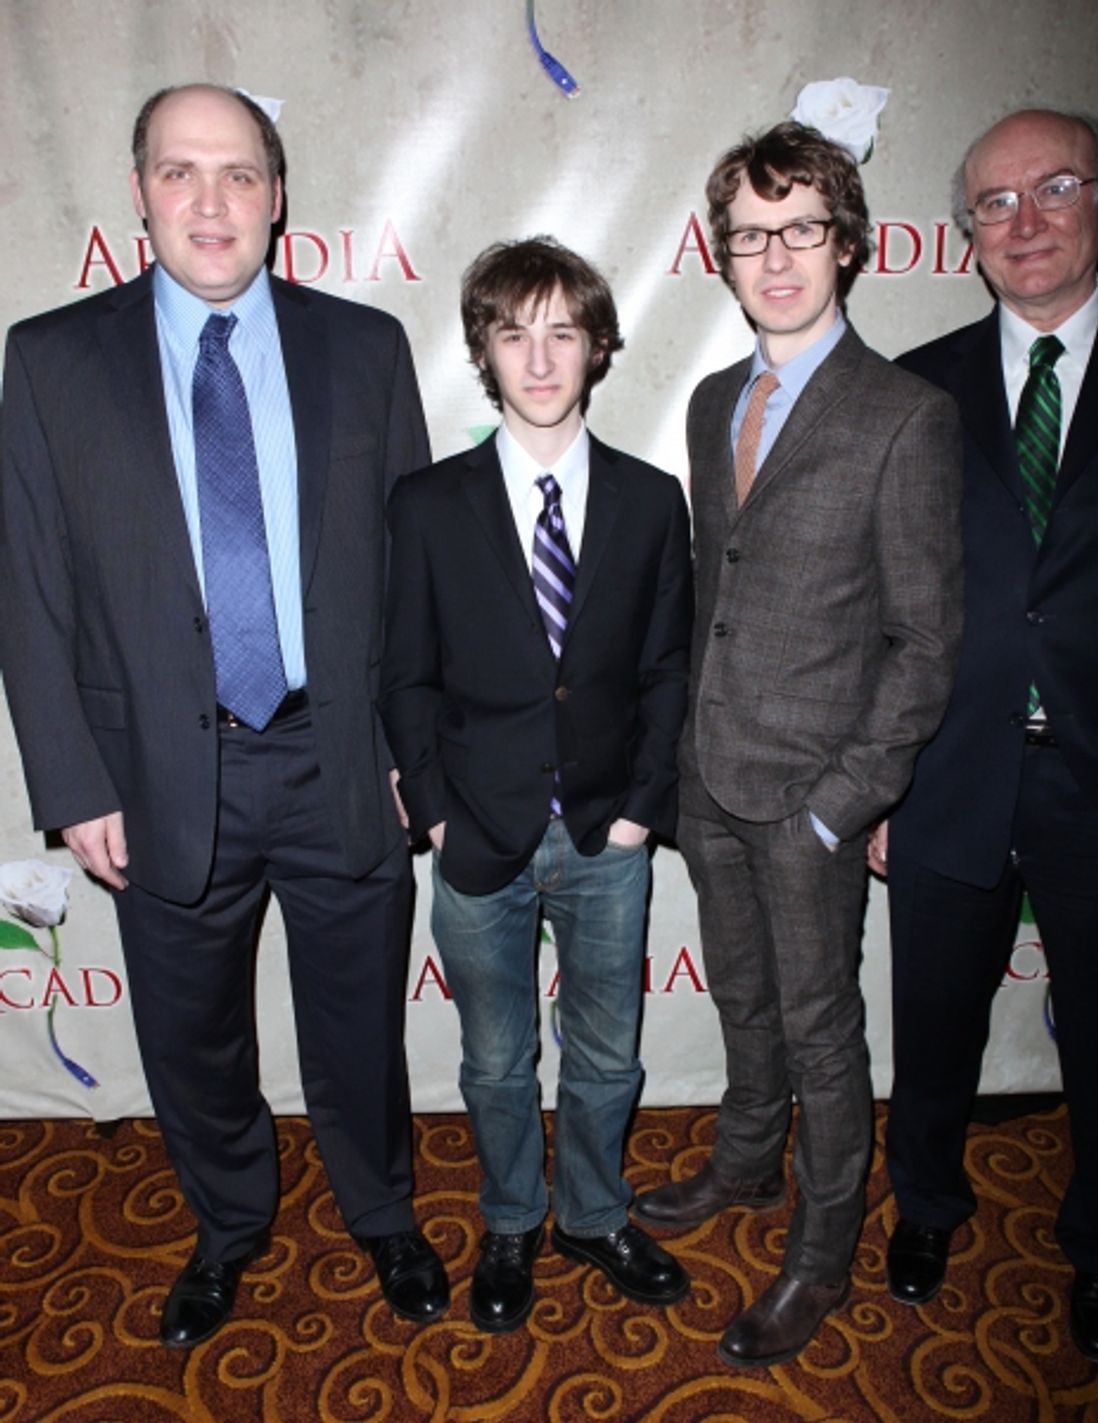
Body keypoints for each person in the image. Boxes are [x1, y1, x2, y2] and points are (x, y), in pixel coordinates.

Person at [0, 84, 447, 1348]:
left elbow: (415, 578)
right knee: (190, 1038)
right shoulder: (50, 357)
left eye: (240, 174)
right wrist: (74, 780)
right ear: (138, 190)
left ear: (278, 194)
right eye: (182, 172)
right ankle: (230, 1224)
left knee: (360, 1019)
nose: (211, 202)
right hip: (152, 772)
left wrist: (419, 752)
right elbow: (27, 589)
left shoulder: (366, 350)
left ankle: (384, 1215)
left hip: (344, 759)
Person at [632, 122, 963, 1368]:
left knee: (825, 1026)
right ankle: (743, 1160)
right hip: (709, 781)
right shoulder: (718, 401)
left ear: (849, 241)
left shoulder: (905, 416)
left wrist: (845, 802)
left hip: (814, 796)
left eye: (803, 227)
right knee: (744, 994)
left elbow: (925, 643)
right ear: (723, 253)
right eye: (752, 233)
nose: (776, 256)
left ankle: (822, 1251)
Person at [875, 108, 1098, 1367]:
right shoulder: (917, 386)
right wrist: (881, 780)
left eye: (1053, 188)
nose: (1024, 220)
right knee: (935, 1019)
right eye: (993, 203)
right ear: (965, 235)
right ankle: (928, 1207)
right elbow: (883, 604)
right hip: (950, 772)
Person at [380, 237, 693, 1334]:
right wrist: (432, 810)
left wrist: (645, 809)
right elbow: (404, 673)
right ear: (484, 350)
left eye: (563, 330)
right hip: (476, 835)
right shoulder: (426, 505)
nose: (541, 355)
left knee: (608, 1049)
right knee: (497, 1057)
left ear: (599, 346)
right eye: (515, 331)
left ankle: (593, 1214)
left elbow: (667, 670)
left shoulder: (654, 502)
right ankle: (513, 1216)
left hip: (610, 830)